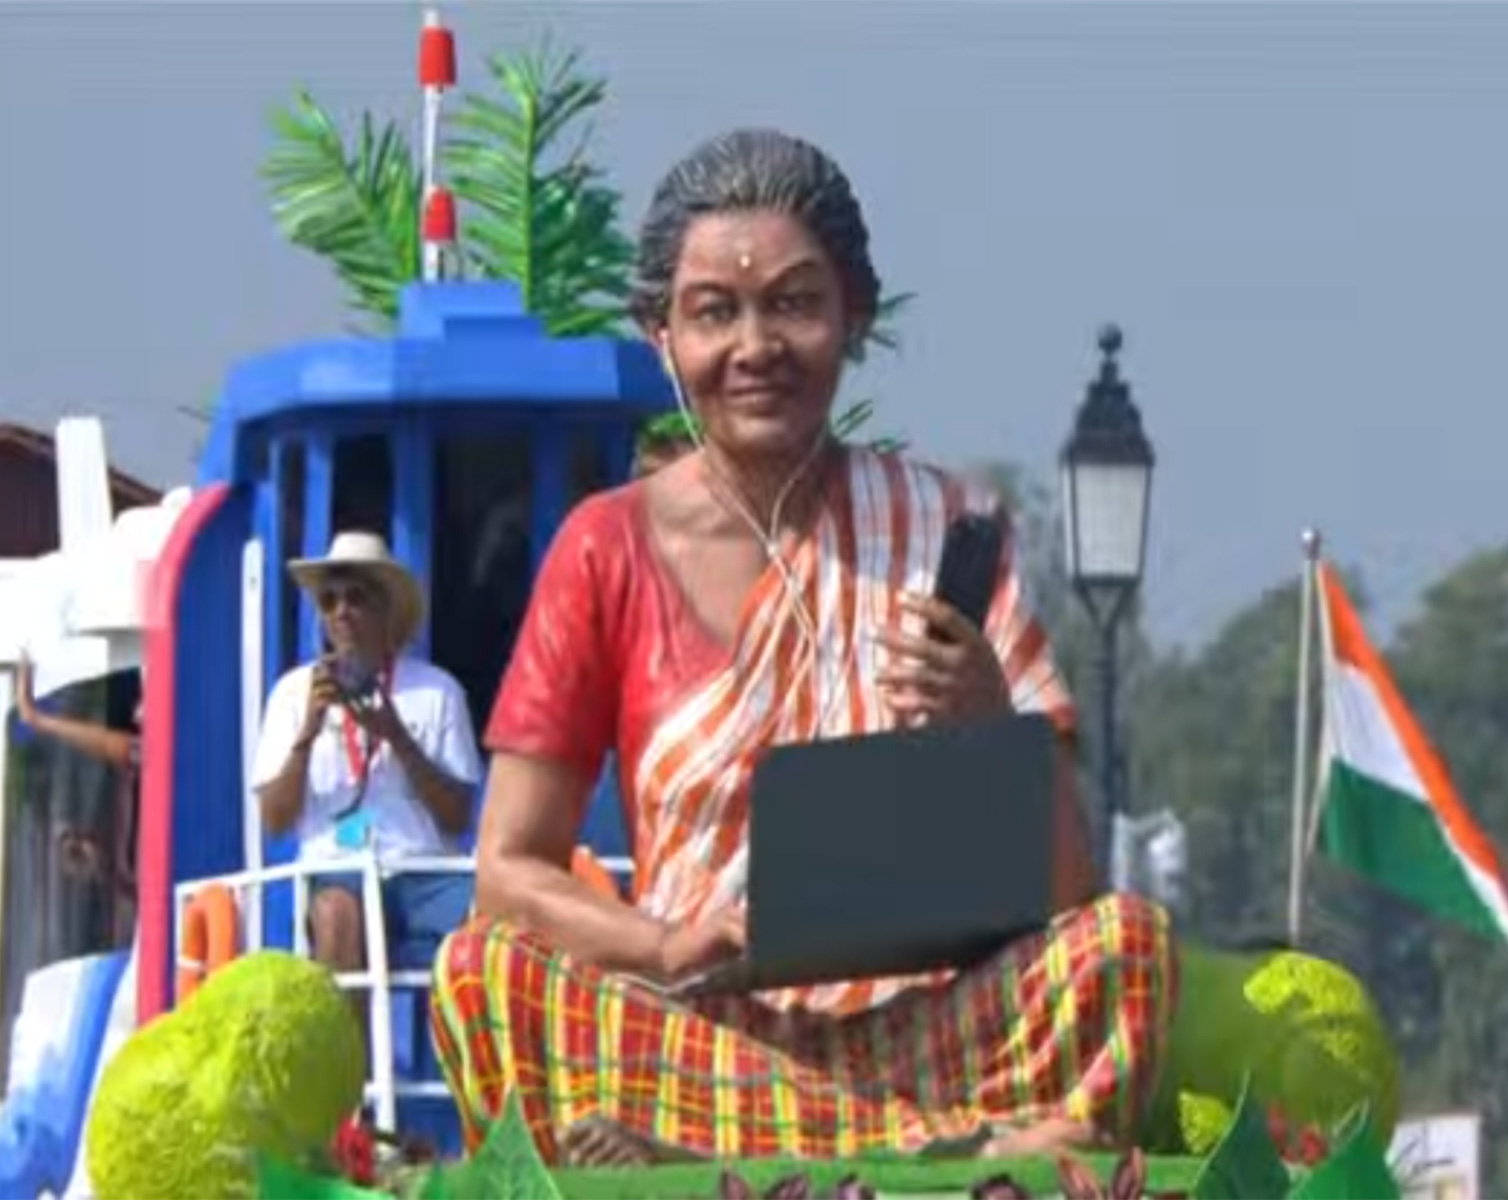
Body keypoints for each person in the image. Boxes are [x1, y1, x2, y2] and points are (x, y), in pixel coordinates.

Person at [430, 129, 1179, 1167]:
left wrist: (990, 727)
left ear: (854, 317)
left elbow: (1071, 891)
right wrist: (662, 946)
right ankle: (941, 1157)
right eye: (713, 312)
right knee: (481, 975)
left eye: (792, 303)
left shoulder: (938, 525)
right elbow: (506, 871)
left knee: (1128, 950)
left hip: (928, 1032)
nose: (755, 346)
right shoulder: (604, 548)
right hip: (693, 1030)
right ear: (661, 335)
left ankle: (757, 1160)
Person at [252, 531, 483, 974]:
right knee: (338, 916)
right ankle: (353, 1048)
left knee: (494, 921)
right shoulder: (291, 693)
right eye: (328, 600)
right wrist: (308, 732)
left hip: (424, 874)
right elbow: (276, 820)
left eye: (355, 597)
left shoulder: (438, 691)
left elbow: (457, 817)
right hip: (339, 872)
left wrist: (397, 736)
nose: (341, 612)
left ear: (385, 609)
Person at [11, 654, 141, 946]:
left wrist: (38, 720)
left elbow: (132, 753)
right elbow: (134, 753)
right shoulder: (128, 870)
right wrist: (37, 719)